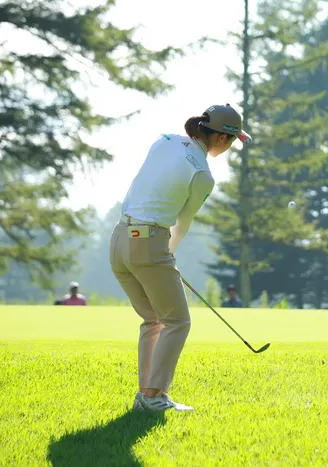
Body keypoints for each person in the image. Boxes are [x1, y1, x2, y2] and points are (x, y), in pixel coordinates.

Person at [110, 104, 252, 412]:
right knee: (177, 321)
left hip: (119, 239)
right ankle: (153, 397)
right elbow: (182, 223)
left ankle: (146, 395)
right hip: (148, 244)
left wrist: (159, 254)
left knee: (154, 320)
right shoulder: (203, 174)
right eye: (232, 141)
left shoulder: (165, 140)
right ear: (223, 138)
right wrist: (167, 253)